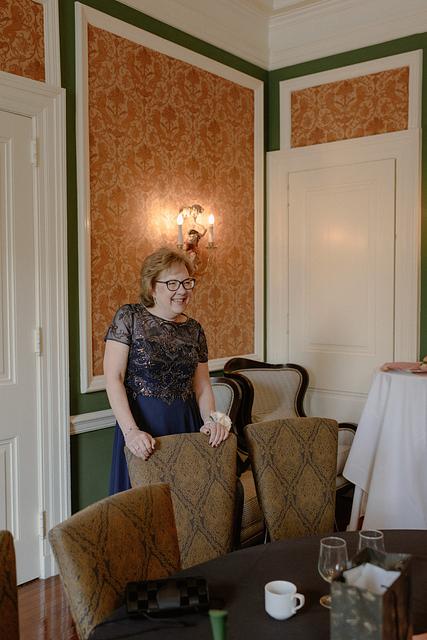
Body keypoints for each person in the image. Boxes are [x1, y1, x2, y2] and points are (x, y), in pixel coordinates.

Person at [104, 246, 231, 494]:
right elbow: (114, 378)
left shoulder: (195, 330)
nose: (182, 291)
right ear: (152, 286)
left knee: (188, 500)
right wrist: (131, 432)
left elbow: (202, 386)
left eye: (187, 282)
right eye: (172, 283)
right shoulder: (129, 317)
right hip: (142, 427)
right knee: (144, 503)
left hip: (186, 424)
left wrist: (211, 420)